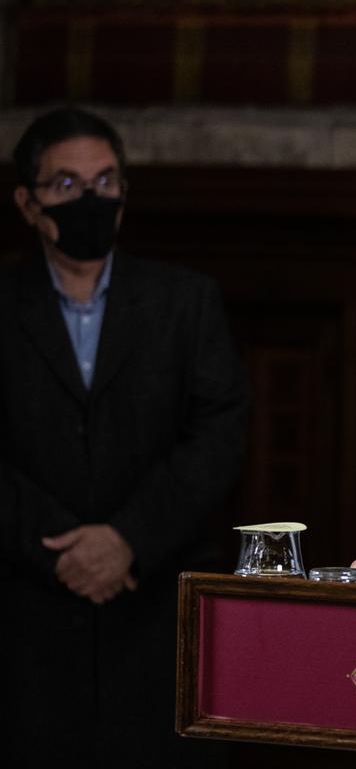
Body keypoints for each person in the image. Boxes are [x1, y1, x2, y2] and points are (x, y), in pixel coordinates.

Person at [0, 107, 249, 766]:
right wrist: (57, 549)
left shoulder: (184, 302)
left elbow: (221, 432)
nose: (92, 200)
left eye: (106, 183)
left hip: (157, 616)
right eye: (68, 186)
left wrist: (128, 539)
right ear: (27, 202)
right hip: (28, 622)